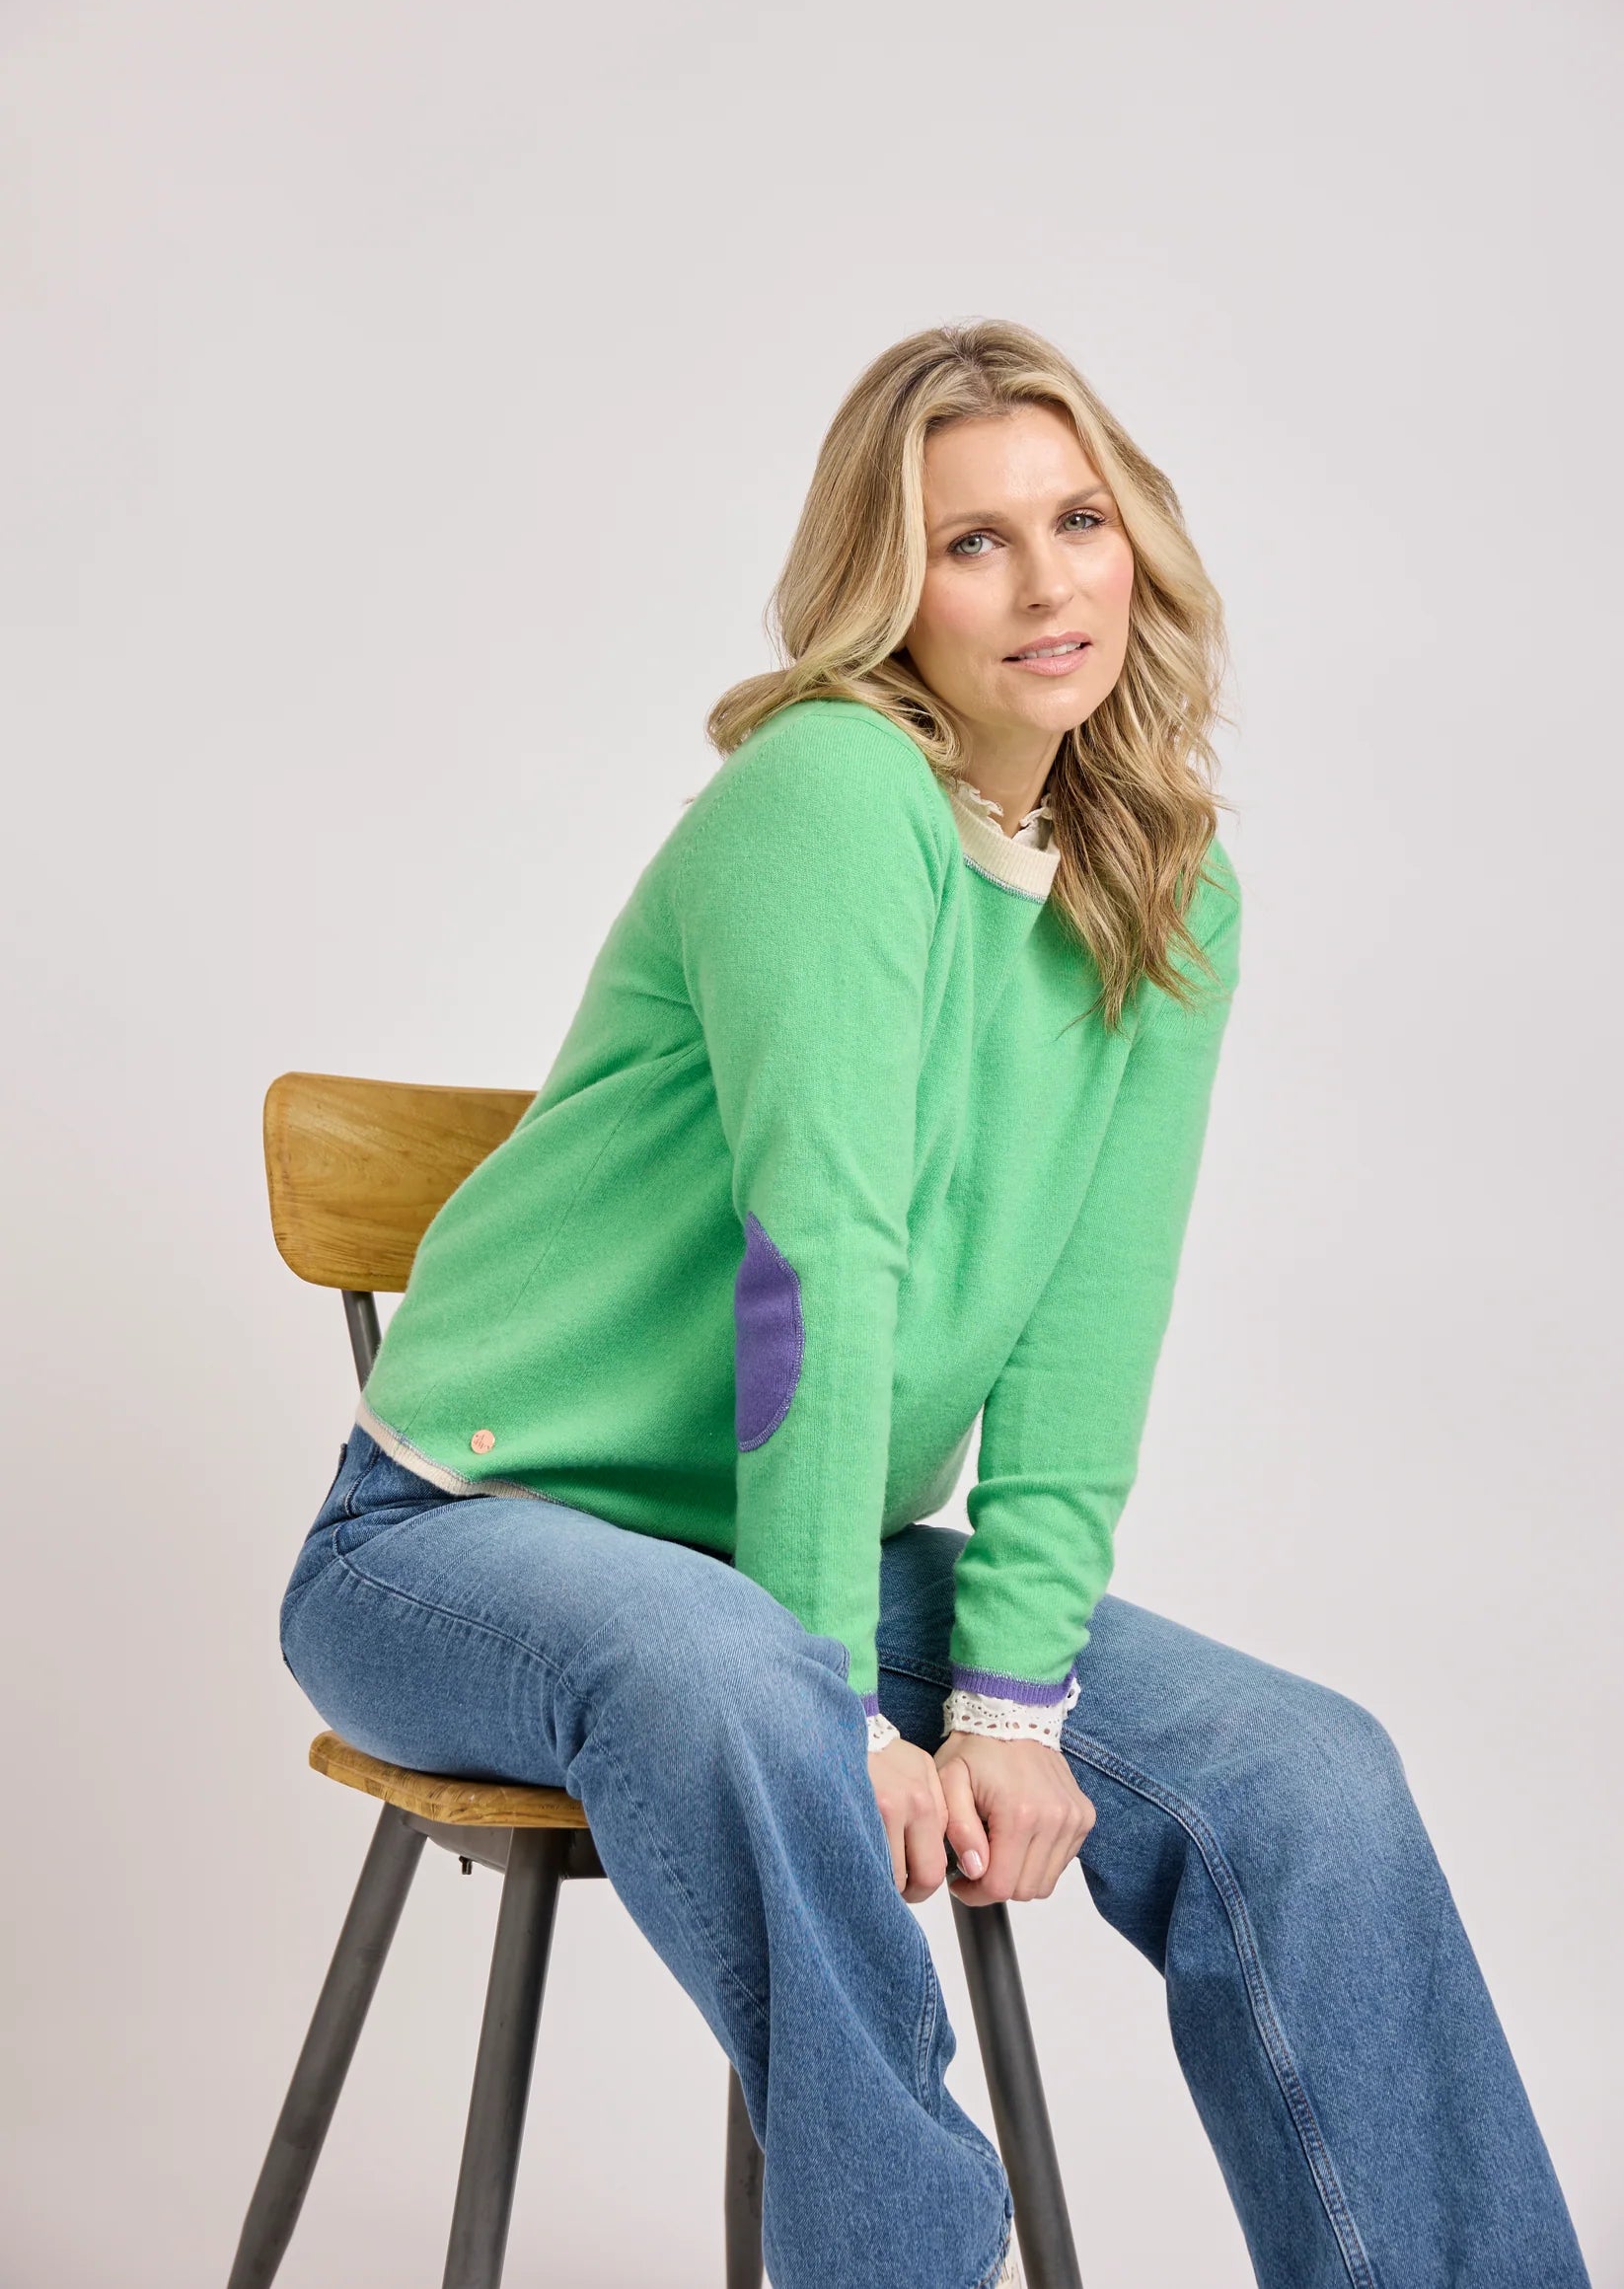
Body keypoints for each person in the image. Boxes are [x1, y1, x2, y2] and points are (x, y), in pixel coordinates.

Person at [278, 320, 1591, 2289]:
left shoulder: (1166, 889)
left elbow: (1087, 1314)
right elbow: (809, 1262)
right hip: (459, 1536)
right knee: (734, 1680)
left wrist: (1008, 1698)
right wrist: (834, 1697)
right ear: (889, 587)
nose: (1046, 581)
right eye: (972, 541)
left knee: (1305, 1770)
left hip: (781, 1549)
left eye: (1078, 520)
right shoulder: (831, 792)